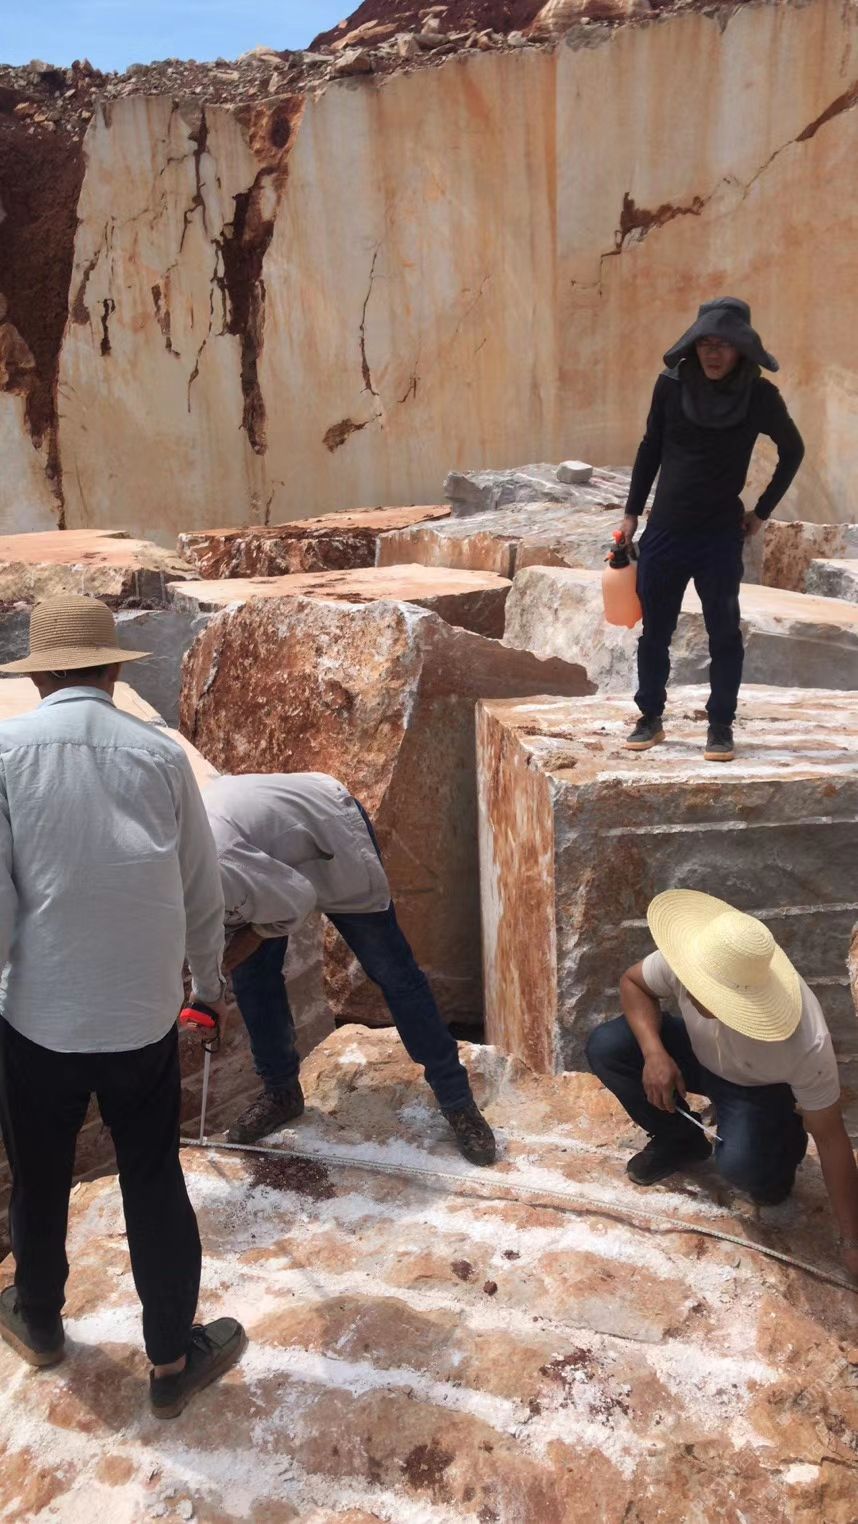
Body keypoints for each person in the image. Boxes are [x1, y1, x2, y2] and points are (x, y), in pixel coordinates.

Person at [0, 595, 245, 1417]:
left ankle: (39, 1322)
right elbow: (202, 892)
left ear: (40, 679)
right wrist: (205, 989)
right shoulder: (160, 755)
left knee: (39, 1178)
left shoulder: (5, 753)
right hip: (142, 1019)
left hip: (37, 1021)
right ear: (111, 669)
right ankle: (171, 1362)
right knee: (152, 1175)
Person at [203, 772, 497, 1166]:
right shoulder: (166, 882)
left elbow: (295, 899)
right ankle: (281, 1092)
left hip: (327, 832)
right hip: (260, 852)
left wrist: (228, 957)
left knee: (394, 972)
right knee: (253, 979)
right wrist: (207, 990)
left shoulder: (212, 865)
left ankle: (457, 1100)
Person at [586, 890, 858, 1281]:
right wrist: (654, 1052)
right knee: (608, 1046)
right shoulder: (695, 956)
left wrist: (851, 1242)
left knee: (749, 1172)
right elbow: (633, 982)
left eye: (708, 993)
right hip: (698, 1056)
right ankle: (680, 1139)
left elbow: (831, 1138)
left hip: (756, 1087)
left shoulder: (803, 1039)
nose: (691, 990)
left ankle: (779, 1151)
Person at [620, 297, 805, 762]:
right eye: (706, 342)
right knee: (654, 631)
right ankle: (649, 716)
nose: (713, 352)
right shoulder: (670, 384)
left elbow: (793, 450)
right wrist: (631, 512)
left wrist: (762, 511)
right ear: (695, 344)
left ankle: (721, 725)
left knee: (723, 632)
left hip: (720, 535)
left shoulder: (759, 396)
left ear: (741, 348)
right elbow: (650, 447)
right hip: (665, 531)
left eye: (724, 343)